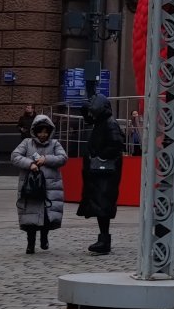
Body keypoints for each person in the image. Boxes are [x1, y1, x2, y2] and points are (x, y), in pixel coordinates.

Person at [11, 114, 67, 255]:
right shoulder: (26, 143)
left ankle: (44, 237)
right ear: (35, 131)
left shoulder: (55, 144)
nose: (43, 135)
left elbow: (63, 158)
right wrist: (30, 164)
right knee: (30, 217)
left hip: (49, 187)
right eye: (40, 131)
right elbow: (15, 156)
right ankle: (30, 244)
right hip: (30, 187)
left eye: (45, 132)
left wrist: (46, 159)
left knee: (47, 216)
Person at [77, 95, 124, 255]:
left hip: (105, 173)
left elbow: (116, 145)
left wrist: (99, 157)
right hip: (100, 172)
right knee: (100, 205)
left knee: (103, 205)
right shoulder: (102, 122)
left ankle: (104, 241)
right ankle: (103, 239)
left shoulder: (109, 124)